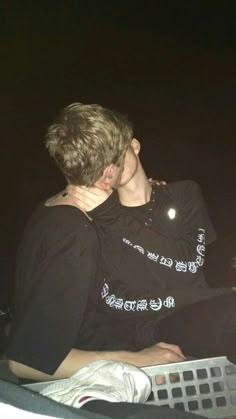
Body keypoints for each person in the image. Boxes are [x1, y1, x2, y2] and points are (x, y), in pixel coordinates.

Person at [5, 103, 186, 384]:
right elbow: (26, 362)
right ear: (106, 173)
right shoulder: (74, 230)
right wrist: (141, 361)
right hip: (80, 394)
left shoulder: (52, 209)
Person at [66, 109, 236, 364]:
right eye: (99, 159)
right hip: (146, 330)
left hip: (203, 313)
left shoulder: (184, 194)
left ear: (134, 145)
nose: (110, 166)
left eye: (114, 152)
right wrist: (112, 217)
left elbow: (189, 264)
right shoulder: (94, 221)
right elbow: (113, 299)